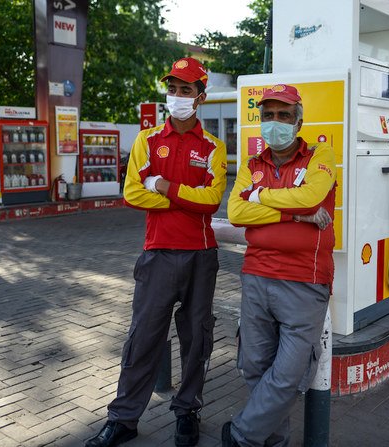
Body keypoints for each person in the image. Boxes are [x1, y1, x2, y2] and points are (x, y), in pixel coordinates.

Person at [85, 57, 227, 447]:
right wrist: (184, 198)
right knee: (143, 337)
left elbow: (213, 200)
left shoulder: (214, 147)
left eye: (186, 89)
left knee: (197, 338)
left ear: (201, 96)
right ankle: (124, 418)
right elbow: (132, 192)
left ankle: (187, 411)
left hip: (201, 254)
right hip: (158, 253)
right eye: (173, 88)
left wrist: (164, 187)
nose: (177, 96)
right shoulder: (147, 140)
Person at [223, 84, 337, 447]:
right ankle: (273, 442)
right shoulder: (251, 164)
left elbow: (311, 197)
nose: (275, 123)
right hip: (256, 274)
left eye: (283, 115)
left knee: (287, 375)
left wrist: (259, 198)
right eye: (268, 116)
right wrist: (293, 213)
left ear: (298, 121)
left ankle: (240, 435)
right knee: (254, 366)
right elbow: (236, 212)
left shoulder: (321, 156)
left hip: (305, 280)